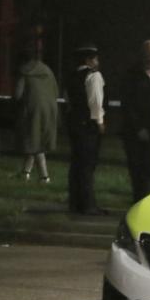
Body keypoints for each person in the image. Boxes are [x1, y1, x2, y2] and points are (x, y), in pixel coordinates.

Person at [118, 40, 150, 202]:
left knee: (149, 168)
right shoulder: (131, 75)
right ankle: (138, 199)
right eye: (148, 54)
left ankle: (144, 201)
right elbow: (127, 104)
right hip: (134, 131)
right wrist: (139, 128)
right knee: (136, 168)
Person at [65, 44, 106, 214]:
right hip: (88, 124)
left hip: (74, 123)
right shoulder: (93, 76)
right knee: (88, 165)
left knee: (76, 164)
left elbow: (69, 100)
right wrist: (100, 121)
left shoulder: (72, 76)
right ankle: (88, 205)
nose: (97, 62)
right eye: (95, 58)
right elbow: (95, 100)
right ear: (89, 60)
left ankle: (75, 202)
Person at [13, 47, 58, 183]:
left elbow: (18, 94)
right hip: (50, 109)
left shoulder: (24, 72)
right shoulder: (48, 71)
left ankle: (44, 176)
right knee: (36, 140)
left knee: (34, 142)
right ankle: (25, 172)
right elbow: (55, 90)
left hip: (32, 110)